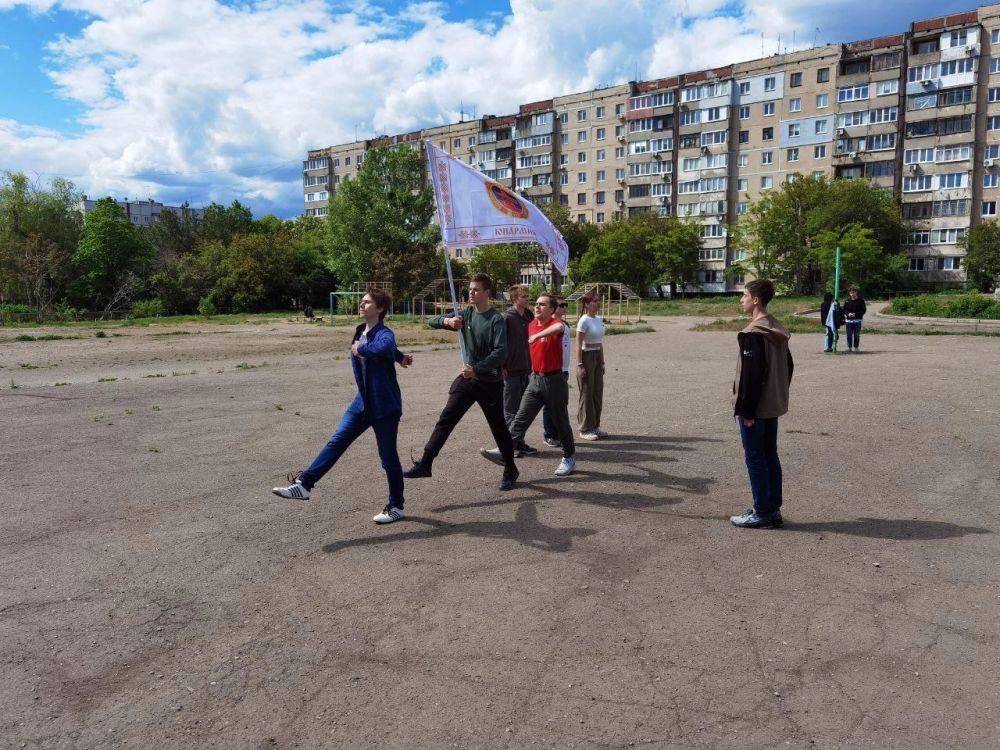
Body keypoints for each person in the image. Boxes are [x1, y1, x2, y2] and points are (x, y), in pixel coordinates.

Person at [273, 289, 414, 524]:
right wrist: (400, 358)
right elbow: (388, 351)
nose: (362, 304)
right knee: (337, 441)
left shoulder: (385, 333)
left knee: (388, 458)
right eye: (362, 301)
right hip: (362, 403)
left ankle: (396, 506)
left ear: (379, 309)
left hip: (384, 406)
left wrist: (362, 350)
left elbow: (383, 346)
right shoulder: (360, 331)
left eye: (367, 302)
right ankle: (304, 485)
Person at [403, 272, 519, 491]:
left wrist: (477, 368)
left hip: (489, 382)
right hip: (467, 380)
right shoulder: (465, 314)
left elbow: (501, 353)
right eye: (470, 289)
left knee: (498, 427)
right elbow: (431, 321)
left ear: (487, 292)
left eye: (476, 290)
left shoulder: (496, 319)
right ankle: (426, 462)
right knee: (446, 418)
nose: (471, 293)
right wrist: (447, 321)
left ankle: (510, 468)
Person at [480, 294, 576, 476]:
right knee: (520, 418)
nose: (537, 307)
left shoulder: (556, 324)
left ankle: (569, 457)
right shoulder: (531, 324)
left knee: (560, 422)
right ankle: (504, 450)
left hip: (554, 380)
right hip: (535, 379)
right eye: (536, 304)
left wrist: (538, 335)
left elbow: (558, 328)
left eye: (542, 304)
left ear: (552, 309)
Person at [731, 279, 794, 529]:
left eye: (744, 295)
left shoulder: (754, 333)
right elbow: (789, 366)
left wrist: (747, 410)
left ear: (756, 300)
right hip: (771, 404)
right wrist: (777, 393)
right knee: (769, 455)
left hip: (755, 409)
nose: (741, 299)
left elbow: (752, 376)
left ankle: (762, 512)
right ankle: (771, 508)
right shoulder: (776, 329)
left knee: (756, 458)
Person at [502, 285, 537, 456]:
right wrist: (502, 366)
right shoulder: (507, 318)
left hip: (527, 369)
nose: (527, 299)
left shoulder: (529, 317)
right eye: (523, 296)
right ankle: (509, 446)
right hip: (511, 371)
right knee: (511, 409)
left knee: (524, 410)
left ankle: (519, 442)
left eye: (527, 296)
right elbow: (500, 343)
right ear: (514, 299)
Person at [576, 291, 606, 440]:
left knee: (597, 392)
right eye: (594, 301)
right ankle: (584, 428)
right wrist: (580, 364)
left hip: (597, 356)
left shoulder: (599, 319)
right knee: (587, 393)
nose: (597, 303)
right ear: (587, 304)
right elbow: (578, 344)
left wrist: (602, 361)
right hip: (586, 356)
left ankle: (595, 426)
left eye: (598, 300)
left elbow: (600, 342)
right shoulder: (584, 320)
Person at [541, 299, 571, 447]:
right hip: (553, 370)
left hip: (564, 369)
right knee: (549, 405)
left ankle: (559, 433)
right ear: (553, 308)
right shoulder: (548, 325)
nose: (564, 307)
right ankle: (549, 435)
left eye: (566, 305)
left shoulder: (565, 324)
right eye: (561, 305)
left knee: (560, 404)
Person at [843, 286, 867, 353]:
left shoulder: (861, 301)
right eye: (851, 293)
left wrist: (855, 314)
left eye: (853, 292)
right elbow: (844, 310)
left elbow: (863, 310)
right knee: (849, 335)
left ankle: (856, 347)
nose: (852, 294)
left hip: (857, 321)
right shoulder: (847, 301)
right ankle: (849, 347)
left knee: (856, 335)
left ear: (856, 292)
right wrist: (848, 313)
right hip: (849, 321)